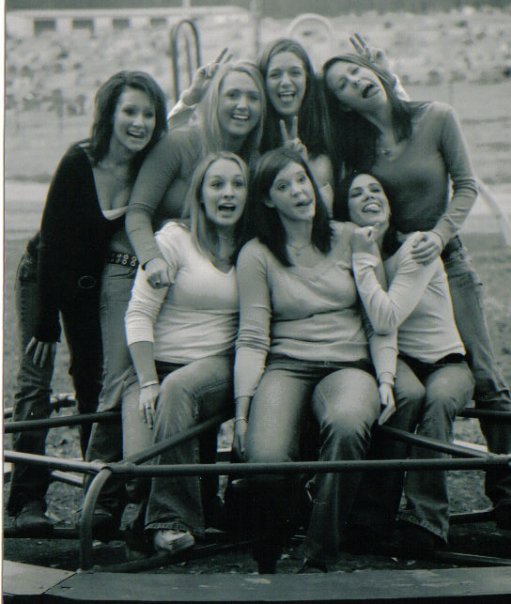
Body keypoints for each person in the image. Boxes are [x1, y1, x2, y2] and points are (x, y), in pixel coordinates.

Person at [322, 51, 511, 528]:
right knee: (398, 382)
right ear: (341, 103)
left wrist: (440, 235)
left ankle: (507, 493)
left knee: (486, 375)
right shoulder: (356, 150)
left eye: (357, 70)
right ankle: (383, 510)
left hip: (446, 258)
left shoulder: (436, 117)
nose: (356, 80)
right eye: (343, 83)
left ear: (376, 72)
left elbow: (466, 186)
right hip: (390, 265)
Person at [8, 71, 167, 533]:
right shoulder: (80, 160)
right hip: (44, 275)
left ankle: (94, 488)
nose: (138, 122)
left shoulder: (147, 166)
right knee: (35, 379)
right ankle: (26, 500)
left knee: (92, 378)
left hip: (93, 285)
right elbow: (53, 244)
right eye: (129, 111)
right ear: (109, 115)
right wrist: (45, 324)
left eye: (148, 114)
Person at [233, 148, 397, 573]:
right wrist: (242, 409)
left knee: (347, 425)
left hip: (348, 364)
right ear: (267, 199)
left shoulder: (352, 237)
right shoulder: (256, 253)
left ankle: (319, 555)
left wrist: (385, 378)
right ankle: (275, 542)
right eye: (283, 186)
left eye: (301, 180)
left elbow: (378, 320)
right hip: (287, 363)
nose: (298, 191)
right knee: (265, 458)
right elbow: (252, 335)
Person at [341, 172, 475, 551]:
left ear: (389, 202)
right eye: (356, 193)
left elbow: (387, 318)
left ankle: (426, 522)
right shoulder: (353, 254)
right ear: (346, 210)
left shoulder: (416, 247)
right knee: (403, 396)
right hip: (401, 361)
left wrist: (363, 260)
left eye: (376, 190)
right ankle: (372, 517)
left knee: (438, 399)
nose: (369, 196)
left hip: (446, 362)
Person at [123, 152, 248, 554]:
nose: (228, 193)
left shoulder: (252, 246)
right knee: (139, 465)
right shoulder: (173, 240)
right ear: (200, 193)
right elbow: (139, 314)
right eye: (217, 184)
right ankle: (169, 511)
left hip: (218, 364)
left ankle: (171, 522)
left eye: (238, 184)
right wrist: (147, 382)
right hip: (158, 367)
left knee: (179, 389)